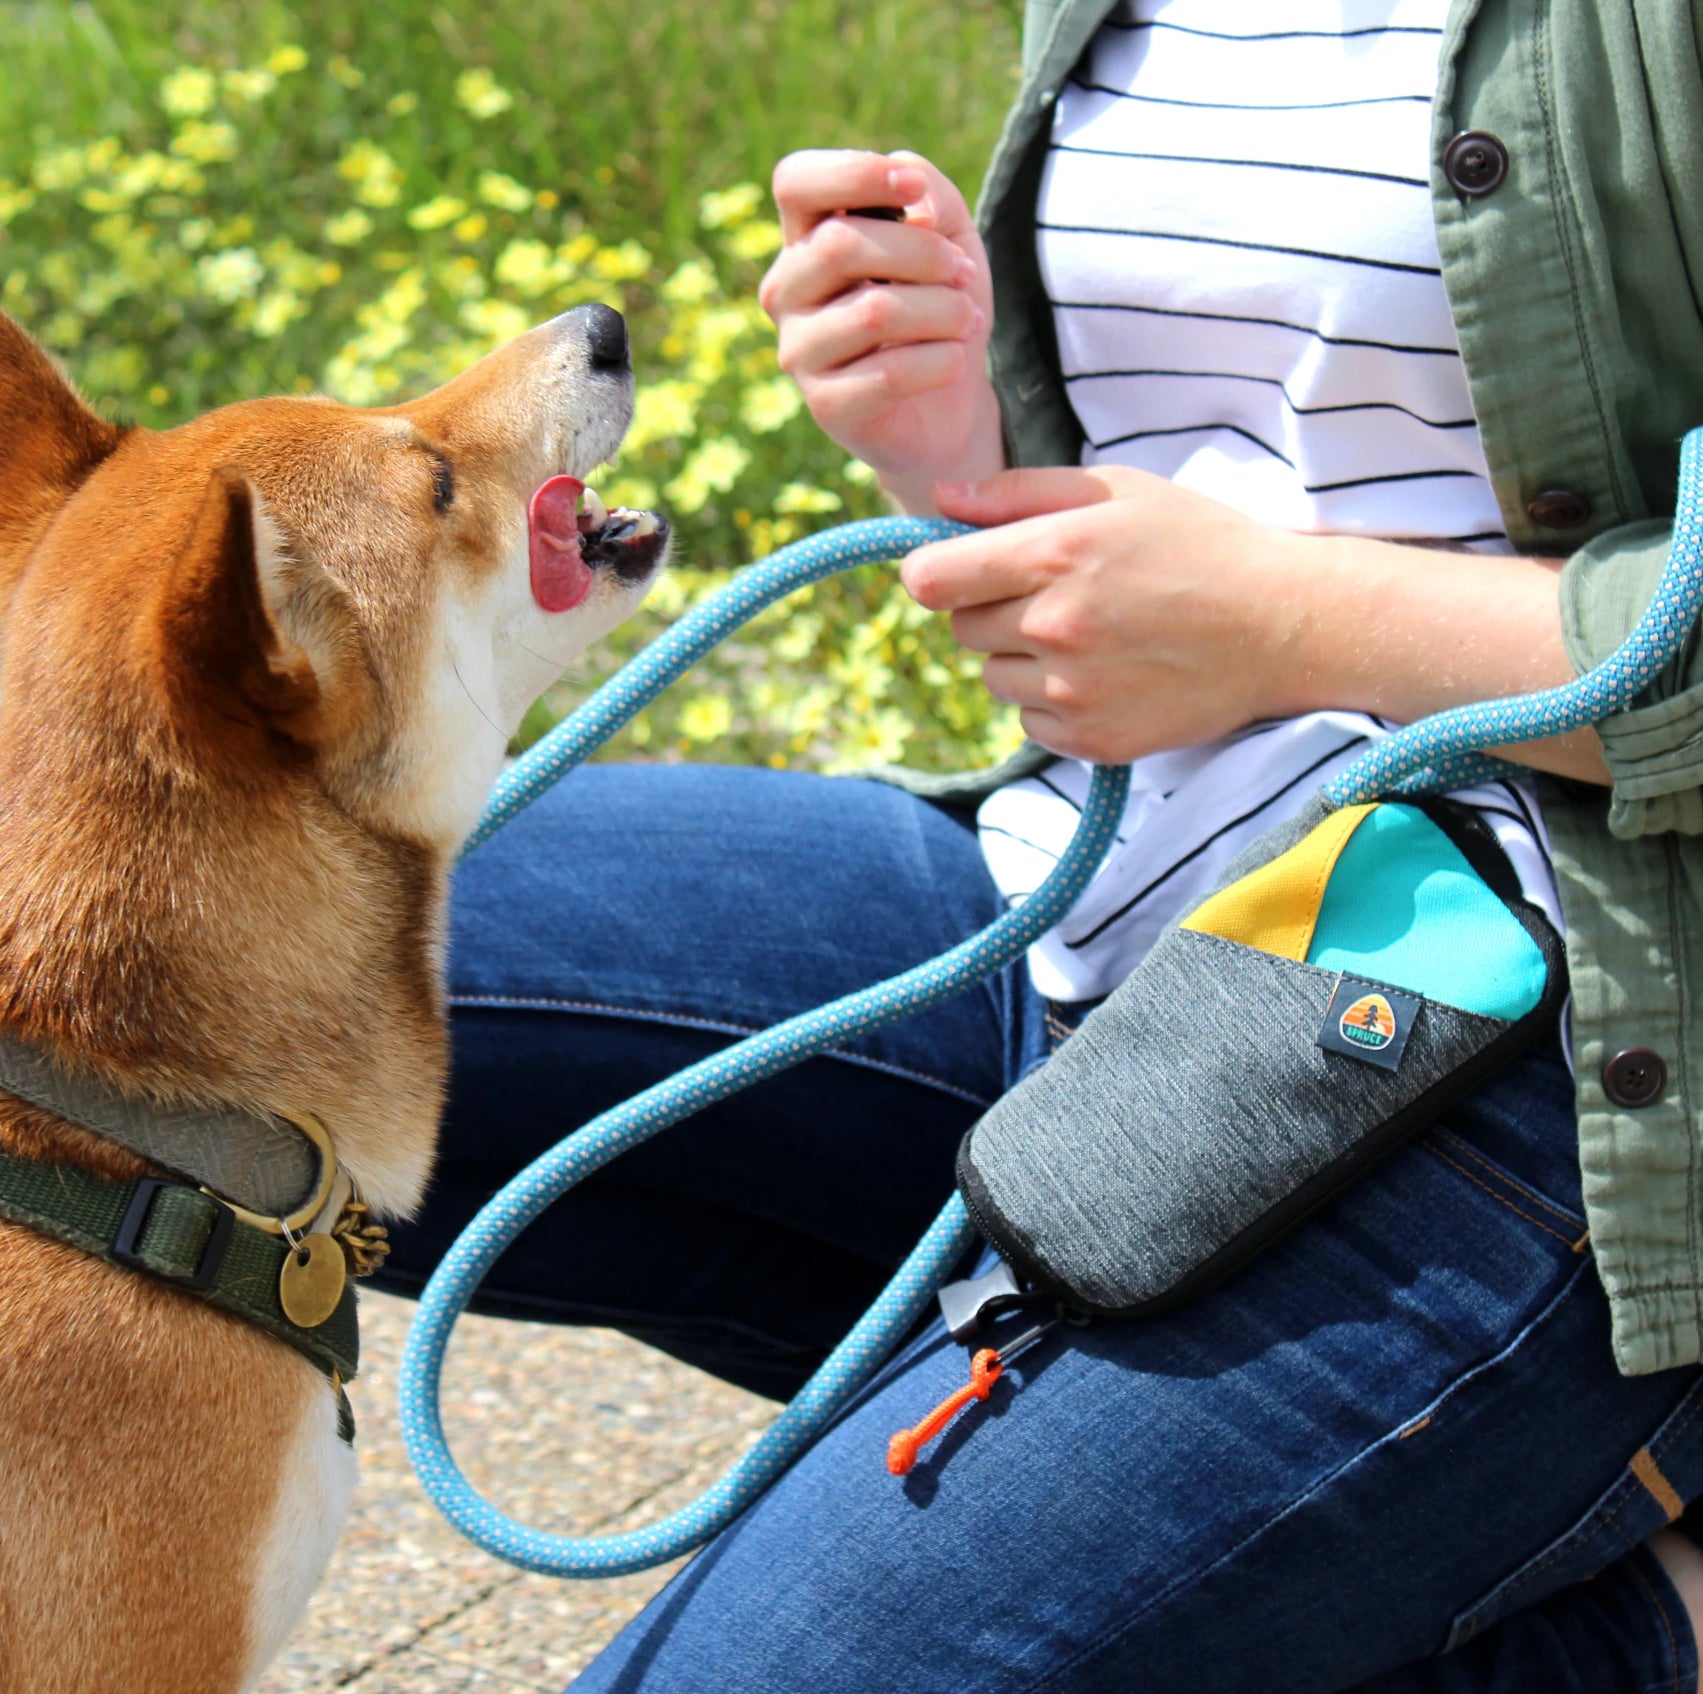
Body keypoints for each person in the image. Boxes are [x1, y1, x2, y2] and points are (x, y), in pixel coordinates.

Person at [377, 0, 1703, 1686]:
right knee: (166, 983)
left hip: (1573, 1045)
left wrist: (1293, 621)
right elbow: (1279, 458)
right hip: (1093, 900)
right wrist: (970, 443)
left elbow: (1282, 582)